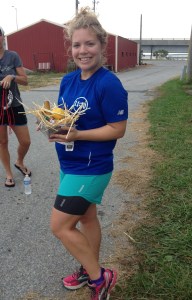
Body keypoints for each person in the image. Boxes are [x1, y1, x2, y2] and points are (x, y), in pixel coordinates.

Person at [48, 7, 128, 300]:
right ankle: (88, 266)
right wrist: (53, 124)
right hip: (68, 161)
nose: (83, 51)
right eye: (77, 44)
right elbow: (63, 116)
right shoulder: (68, 81)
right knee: (87, 219)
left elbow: (117, 128)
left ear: (103, 45)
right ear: (70, 48)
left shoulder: (109, 84)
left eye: (89, 43)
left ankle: (100, 278)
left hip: (92, 167)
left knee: (59, 225)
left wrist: (78, 134)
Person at [0, 26, 31, 188]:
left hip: (15, 104)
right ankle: (8, 174)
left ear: (2, 37)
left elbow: (25, 80)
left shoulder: (12, 56)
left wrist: (11, 76)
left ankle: (19, 161)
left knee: (26, 141)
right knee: (2, 142)